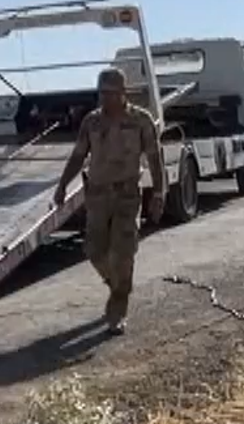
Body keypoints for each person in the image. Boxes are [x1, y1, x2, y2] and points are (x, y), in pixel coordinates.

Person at [52, 67, 165, 334]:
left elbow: (154, 158)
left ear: (123, 93)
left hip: (127, 195)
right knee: (94, 250)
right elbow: (78, 155)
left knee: (123, 252)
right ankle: (118, 285)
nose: (105, 98)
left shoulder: (141, 120)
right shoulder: (91, 122)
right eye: (102, 93)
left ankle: (117, 309)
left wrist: (159, 193)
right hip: (98, 196)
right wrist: (62, 185)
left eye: (111, 93)